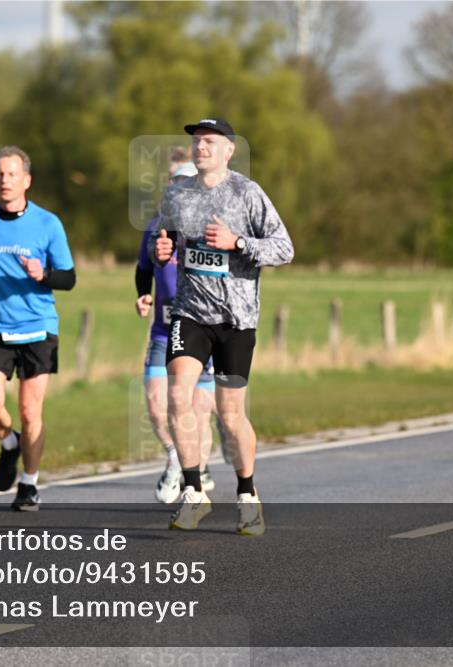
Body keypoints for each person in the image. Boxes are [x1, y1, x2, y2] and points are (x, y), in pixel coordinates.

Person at [152, 118, 294, 535]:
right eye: (196, 141)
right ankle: (194, 493)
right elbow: (163, 239)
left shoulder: (247, 193)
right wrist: (161, 251)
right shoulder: (177, 193)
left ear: (229, 150)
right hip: (190, 312)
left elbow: (284, 248)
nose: (201, 148)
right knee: (178, 395)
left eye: (210, 142)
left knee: (230, 415)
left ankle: (248, 495)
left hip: (236, 320)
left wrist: (238, 243)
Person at [0, 146, 75, 512]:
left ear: (26, 180)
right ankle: (10, 443)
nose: (5, 180)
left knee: (29, 410)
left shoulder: (48, 224)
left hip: (38, 326)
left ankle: (29, 483)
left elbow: (69, 278)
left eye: (12, 174)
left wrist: (45, 275)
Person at [135, 153, 221, 503]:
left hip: (203, 330)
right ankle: (177, 459)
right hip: (164, 329)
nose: (175, 186)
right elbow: (143, 268)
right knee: (158, 404)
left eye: (182, 180)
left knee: (198, 411)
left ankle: (196, 474)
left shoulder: (211, 228)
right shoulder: (156, 227)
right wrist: (143, 294)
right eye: (171, 180)